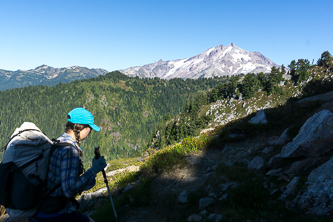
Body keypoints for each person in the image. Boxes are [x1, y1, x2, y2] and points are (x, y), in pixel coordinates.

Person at [29, 108, 107, 222]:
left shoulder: (58, 142)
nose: (90, 131)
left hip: (41, 210)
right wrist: (94, 170)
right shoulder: (70, 151)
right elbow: (69, 190)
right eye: (89, 127)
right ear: (81, 127)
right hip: (56, 214)